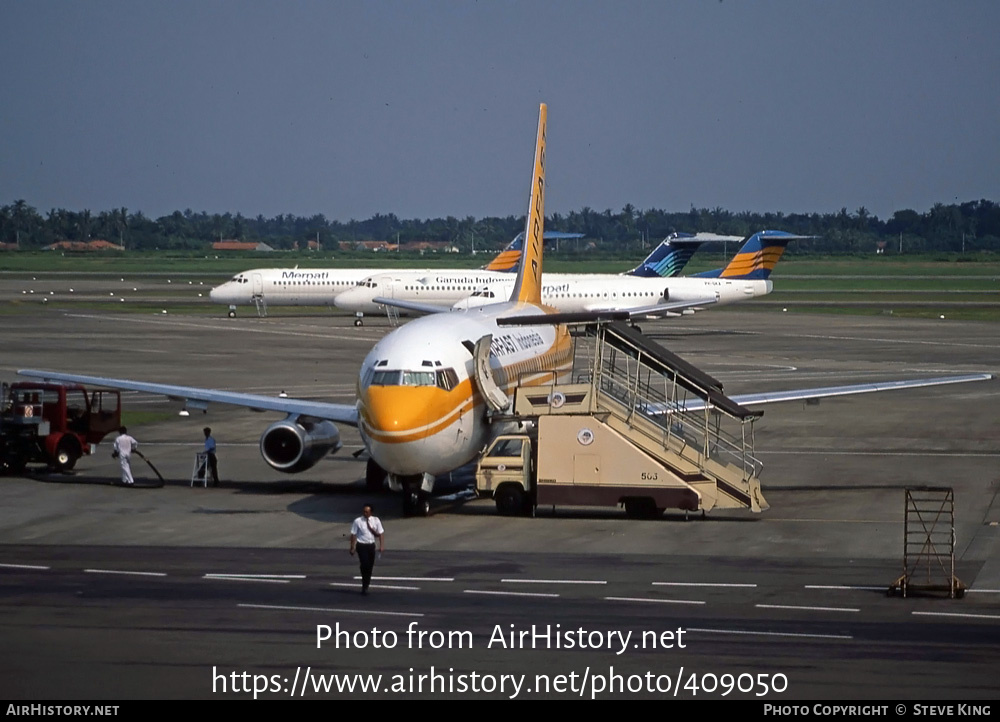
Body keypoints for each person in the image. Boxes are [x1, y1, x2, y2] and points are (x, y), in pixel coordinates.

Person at [349, 504, 385, 595]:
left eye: (367, 512)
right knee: (364, 564)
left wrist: (381, 546)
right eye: (364, 511)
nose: (365, 513)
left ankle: (366, 582)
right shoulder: (358, 521)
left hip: (371, 545)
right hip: (361, 545)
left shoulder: (376, 520)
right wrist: (352, 547)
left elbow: (380, 533)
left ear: (371, 512)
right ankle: (364, 584)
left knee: (370, 566)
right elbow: (353, 534)